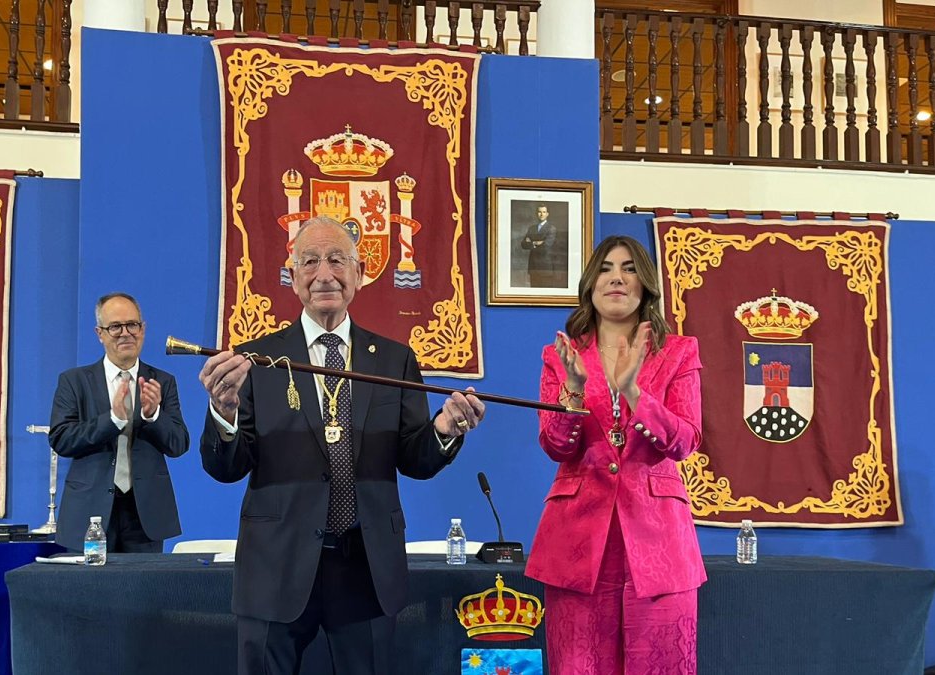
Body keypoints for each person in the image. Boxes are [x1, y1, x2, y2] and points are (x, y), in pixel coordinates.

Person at [198, 216, 486, 675]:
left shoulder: (394, 359)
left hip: (366, 568)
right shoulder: (257, 359)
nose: (324, 274)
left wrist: (445, 428)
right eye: (310, 261)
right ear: (292, 276)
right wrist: (224, 411)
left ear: (360, 272)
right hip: (276, 565)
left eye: (337, 260)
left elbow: (415, 458)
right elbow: (227, 467)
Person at [525, 235, 705, 674]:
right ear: (590, 284)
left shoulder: (679, 351)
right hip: (577, 543)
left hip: (659, 542)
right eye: (605, 269)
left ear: (646, 284)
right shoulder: (560, 356)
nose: (616, 278)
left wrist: (633, 392)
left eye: (628, 269)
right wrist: (573, 391)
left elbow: (686, 440)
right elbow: (555, 446)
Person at [48, 292, 191, 553]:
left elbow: (178, 444)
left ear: (143, 329)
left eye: (132, 325)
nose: (126, 333)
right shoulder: (74, 381)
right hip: (89, 512)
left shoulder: (162, 381)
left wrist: (153, 415)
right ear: (100, 334)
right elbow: (61, 439)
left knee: (142, 581)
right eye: (115, 327)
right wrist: (113, 419)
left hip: (145, 515)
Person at [520, 204, 566, 288]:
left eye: (544, 212)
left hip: (545, 268)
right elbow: (523, 244)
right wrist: (536, 243)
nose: (541, 214)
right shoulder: (532, 228)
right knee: (533, 291)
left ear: (547, 214)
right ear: (536, 213)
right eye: (539, 212)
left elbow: (546, 246)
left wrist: (531, 242)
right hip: (533, 267)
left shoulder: (551, 228)